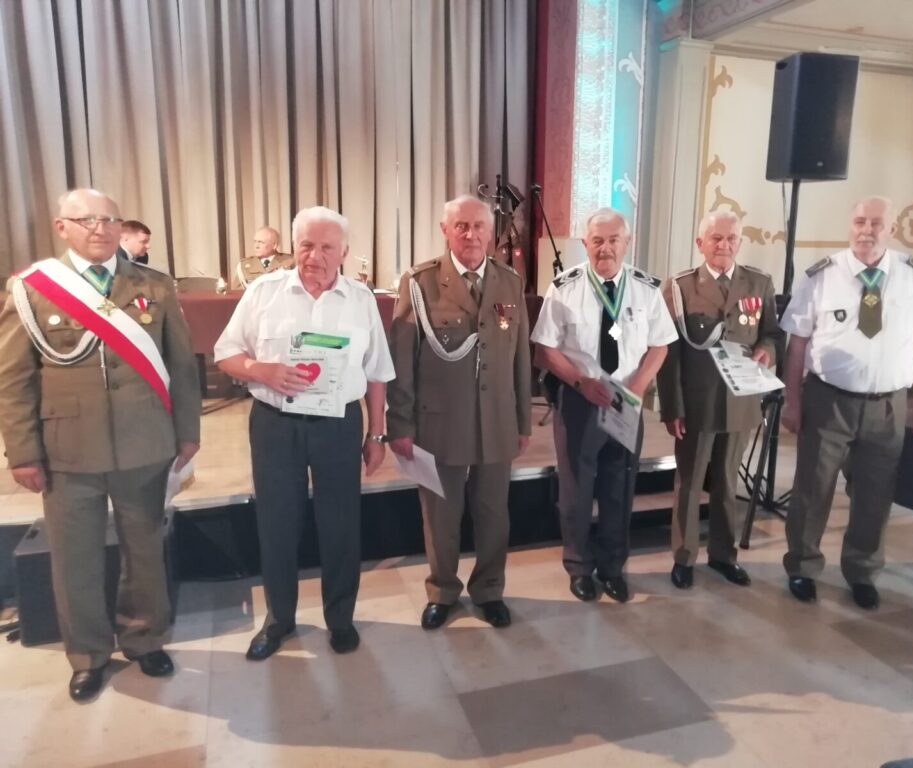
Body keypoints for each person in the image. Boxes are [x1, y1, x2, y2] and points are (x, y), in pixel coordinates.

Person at [0, 189, 201, 701]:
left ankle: (145, 639)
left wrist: (187, 431)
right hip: (67, 448)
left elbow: (181, 364)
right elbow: (14, 379)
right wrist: (23, 452)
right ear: (61, 227)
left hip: (145, 442)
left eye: (109, 219)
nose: (100, 228)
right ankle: (87, 655)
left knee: (145, 550)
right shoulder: (32, 289)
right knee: (75, 558)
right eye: (87, 219)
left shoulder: (153, 285)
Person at [215, 206, 394, 659]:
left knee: (341, 524)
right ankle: (279, 620)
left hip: (339, 424)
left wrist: (377, 435)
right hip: (276, 425)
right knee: (277, 523)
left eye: (326, 247)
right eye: (306, 245)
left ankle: (341, 619)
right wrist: (260, 369)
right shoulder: (264, 292)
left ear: (344, 252)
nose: (315, 256)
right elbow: (225, 353)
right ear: (292, 247)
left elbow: (377, 371)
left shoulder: (361, 300)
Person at [780, 196, 913, 609]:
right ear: (850, 225)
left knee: (875, 494)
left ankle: (863, 571)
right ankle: (803, 566)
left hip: (888, 405)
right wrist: (792, 399)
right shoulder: (821, 275)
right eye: (859, 222)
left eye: (876, 223)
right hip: (828, 401)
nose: (866, 230)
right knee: (813, 489)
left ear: (892, 229)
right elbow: (796, 344)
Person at [388, 194, 531, 630]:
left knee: (493, 512)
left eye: (479, 226)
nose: (471, 235)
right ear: (445, 230)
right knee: (441, 513)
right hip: (440, 421)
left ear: (491, 232)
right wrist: (400, 423)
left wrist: (522, 420)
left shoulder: (509, 281)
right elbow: (402, 360)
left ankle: (489, 589)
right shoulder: (420, 282)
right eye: (462, 226)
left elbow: (520, 358)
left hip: (496, 420)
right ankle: (443, 591)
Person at [532, 208, 676, 603]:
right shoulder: (564, 288)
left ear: (627, 243)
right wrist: (581, 381)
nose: (605, 248)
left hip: (627, 400)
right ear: (585, 243)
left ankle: (613, 567)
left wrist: (639, 385)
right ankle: (579, 567)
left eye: (614, 240)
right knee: (576, 490)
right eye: (597, 240)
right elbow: (544, 349)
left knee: (620, 485)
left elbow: (661, 344)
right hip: (580, 400)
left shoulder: (646, 289)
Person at [657, 210, 782, 590]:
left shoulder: (758, 283)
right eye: (716, 238)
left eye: (731, 238)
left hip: (740, 400)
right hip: (697, 402)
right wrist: (672, 407)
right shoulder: (679, 287)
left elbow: (772, 333)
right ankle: (684, 557)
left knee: (728, 482)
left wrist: (766, 350)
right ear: (700, 243)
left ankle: (724, 555)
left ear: (739, 242)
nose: (724, 245)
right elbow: (668, 354)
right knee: (690, 482)